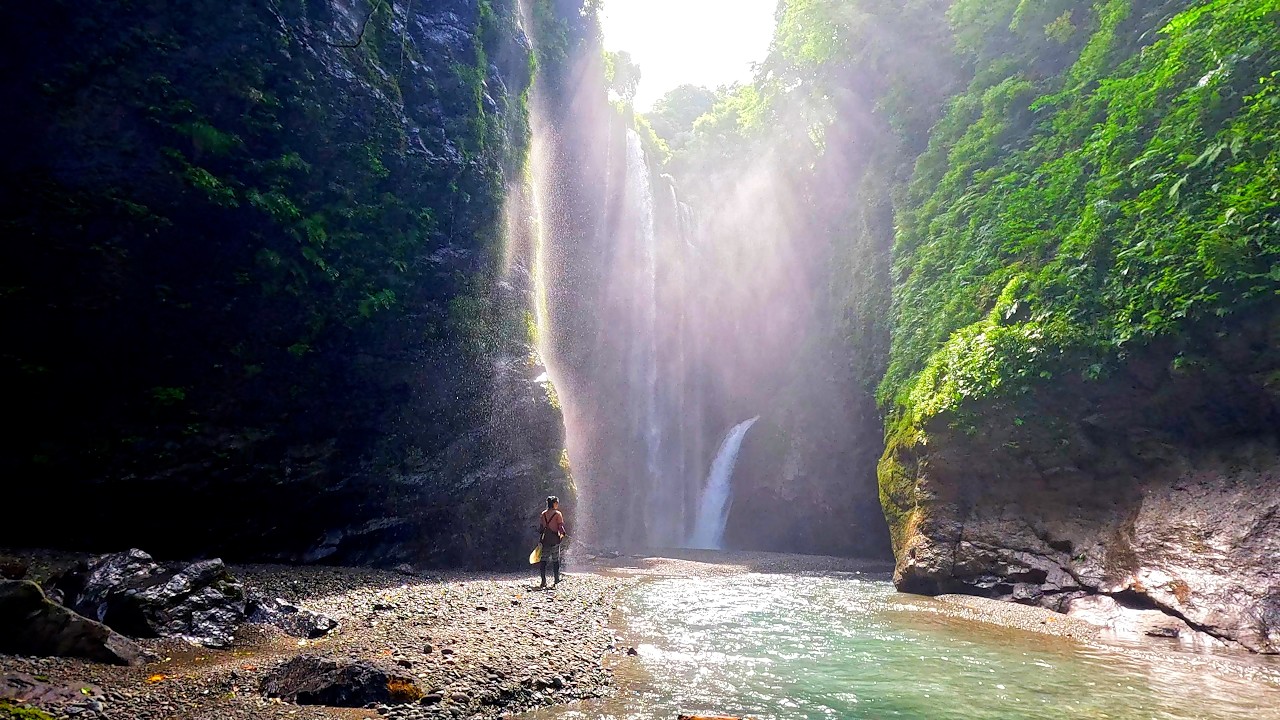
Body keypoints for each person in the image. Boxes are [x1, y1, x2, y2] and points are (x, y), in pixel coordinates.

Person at [538, 496, 567, 588]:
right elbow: (561, 527)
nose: (557, 505)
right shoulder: (558, 514)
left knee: (543, 560)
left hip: (545, 540)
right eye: (557, 503)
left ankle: (543, 581)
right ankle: (556, 579)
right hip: (554, 540)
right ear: (554, 503)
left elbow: (541, 528)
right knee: (556, 560)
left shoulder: (543, 514)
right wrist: (563, 534)